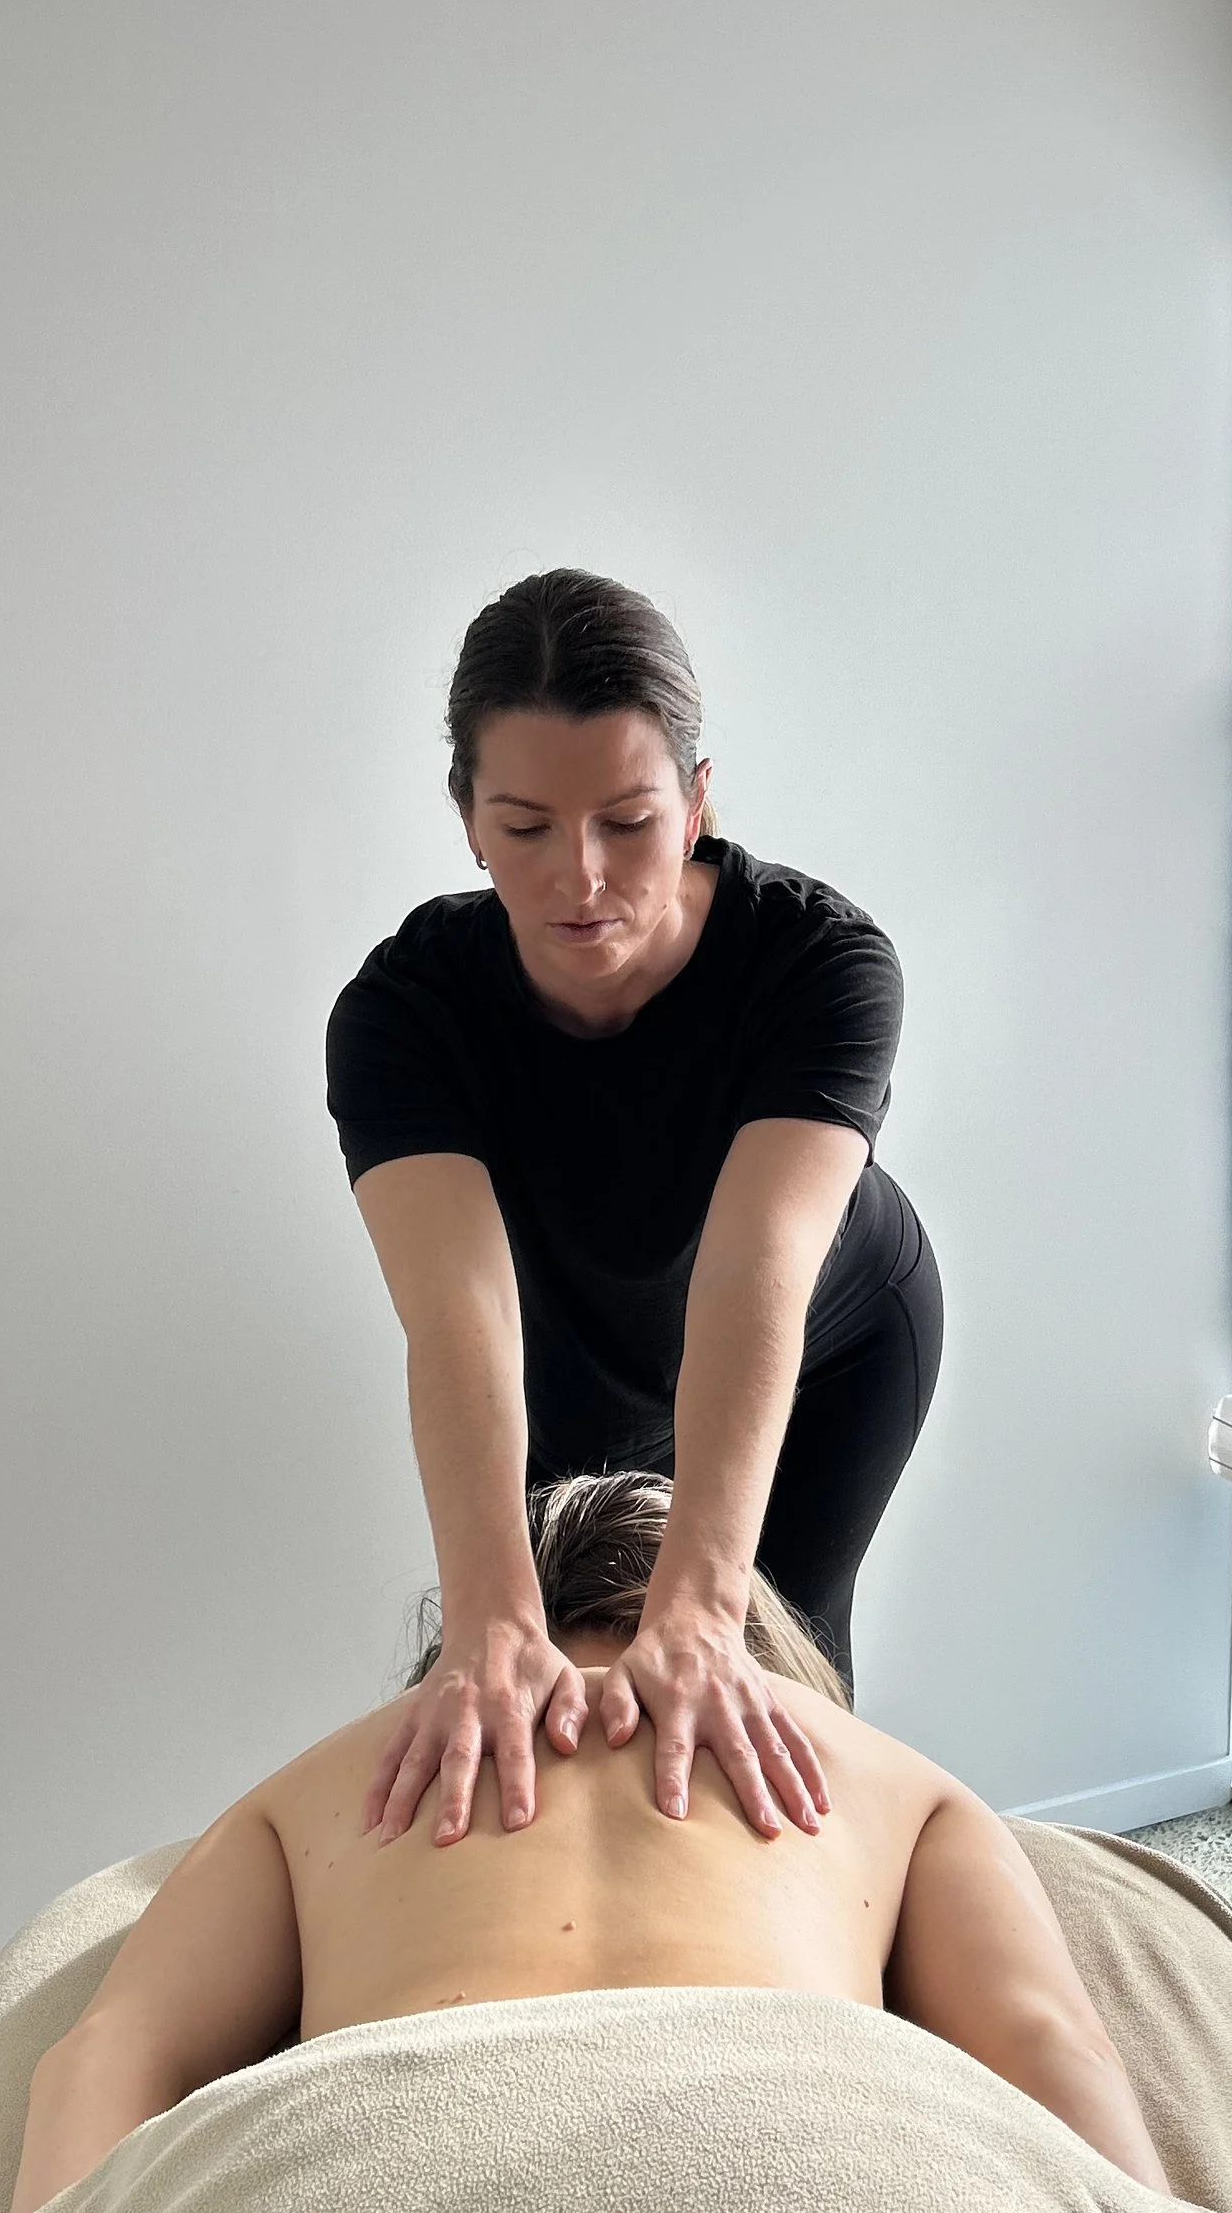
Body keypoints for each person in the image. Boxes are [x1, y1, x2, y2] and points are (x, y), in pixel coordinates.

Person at [10, 1475, 1164, 2213]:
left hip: (378, 2172)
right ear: (754, 1633)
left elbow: (109, 2056)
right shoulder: (888, 1778)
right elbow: (1049, 2042)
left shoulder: (322, 1785)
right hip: (812, 2152)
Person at [326, 568, 943, 1855]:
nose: (582, 878)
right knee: (521, 1680)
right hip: (564, 1355)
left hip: (824, 1343)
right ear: (466, 819)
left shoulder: (821, 964)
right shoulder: (403, 1015)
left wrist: (706, 1610)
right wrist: (490, 1621)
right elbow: (457, 1310)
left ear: (698, 799)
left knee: (757, 1682)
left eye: (628, 820)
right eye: (528, 826)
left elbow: (759, 1266)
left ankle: (817, 1981)